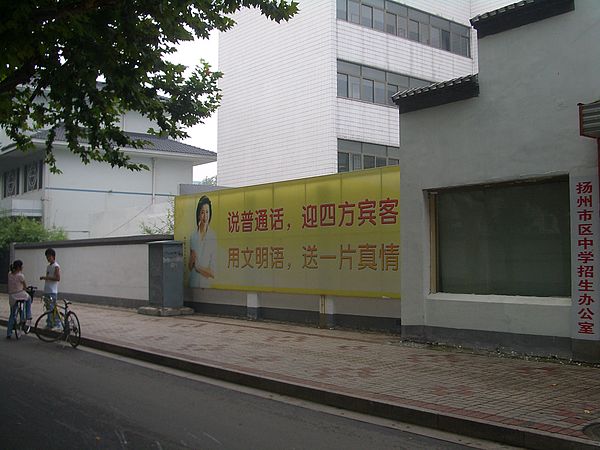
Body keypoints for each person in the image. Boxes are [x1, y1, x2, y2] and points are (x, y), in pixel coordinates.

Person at [188, 195, 217, 288]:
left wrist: (198, 267)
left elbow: (213, 272)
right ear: (198, 215)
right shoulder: (193, 236)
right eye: (202, 212)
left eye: (207, 212)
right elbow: (189, 266)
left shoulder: (213, 237)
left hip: (205, 285)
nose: (205, 216)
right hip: (193, 283)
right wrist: (191, 260)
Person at [6, 260, 32, 339]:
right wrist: (27, 289)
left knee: (12, 314)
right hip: (20, 294)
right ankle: (28, 314)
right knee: (29, 298)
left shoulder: (9, 274)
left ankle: (9, 333)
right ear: (19, 267)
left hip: (12, 296)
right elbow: (24, 286)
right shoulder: (21, 276)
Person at [40, 247, 61, 329]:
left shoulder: (56, 266)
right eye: (47, 257)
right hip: (47, 290)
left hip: (52, 291)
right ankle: (49, 324)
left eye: (49, 257)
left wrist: (45, 278)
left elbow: (58, 278)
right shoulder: (48, 266)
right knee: (48, 308)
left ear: (53, 257)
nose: (48, 258)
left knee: (52, 308)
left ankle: (57, 324)